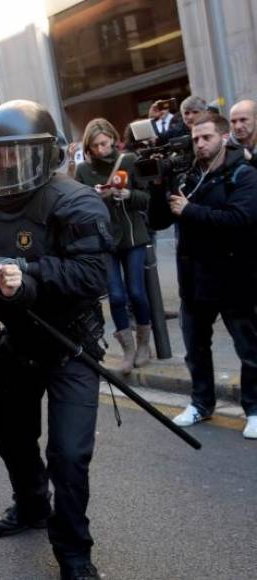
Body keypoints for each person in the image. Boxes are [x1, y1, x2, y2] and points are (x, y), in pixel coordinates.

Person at [0, 100, 111, 580]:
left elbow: (93, 274)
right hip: (18, 341)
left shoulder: (77, 201)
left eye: (16, 154)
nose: (5, 165)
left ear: (44, 155)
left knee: (68, 454)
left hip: (71, 344)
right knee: (11, 437)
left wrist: (27, 272)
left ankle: (73, 550)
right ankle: (30, 507)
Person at [147, 113, 257, 439]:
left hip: (235, 278)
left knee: (249, 349)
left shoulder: (243, 174)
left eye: (206, 137)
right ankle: (201, 403)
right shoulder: (188, 176)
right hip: (194, 281)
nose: (200, 143)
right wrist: (157, 189)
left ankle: (253, 408)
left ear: (223, 138)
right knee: (195, 348)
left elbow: (242, 218)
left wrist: (190, 210)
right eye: (195, 138)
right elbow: (159, 221)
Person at [74, 118, 152, 374]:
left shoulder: (128, 161)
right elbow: (76, 208)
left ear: (112, 138)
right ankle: (127, 349)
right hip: (104, 240)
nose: (100, 150)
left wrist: (129, 195)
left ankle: (143, 344)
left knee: (137, 293)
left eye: (104, 144)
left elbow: (147, 198)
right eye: (95, 146)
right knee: (116, 297)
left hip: (132, 237)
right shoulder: (83, 171)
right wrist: (91, 197)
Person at [229, 99, 257, 166]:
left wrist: (251, 159)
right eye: (233, 121)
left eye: (243, 120)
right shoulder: (224, 149)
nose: (237, 126)